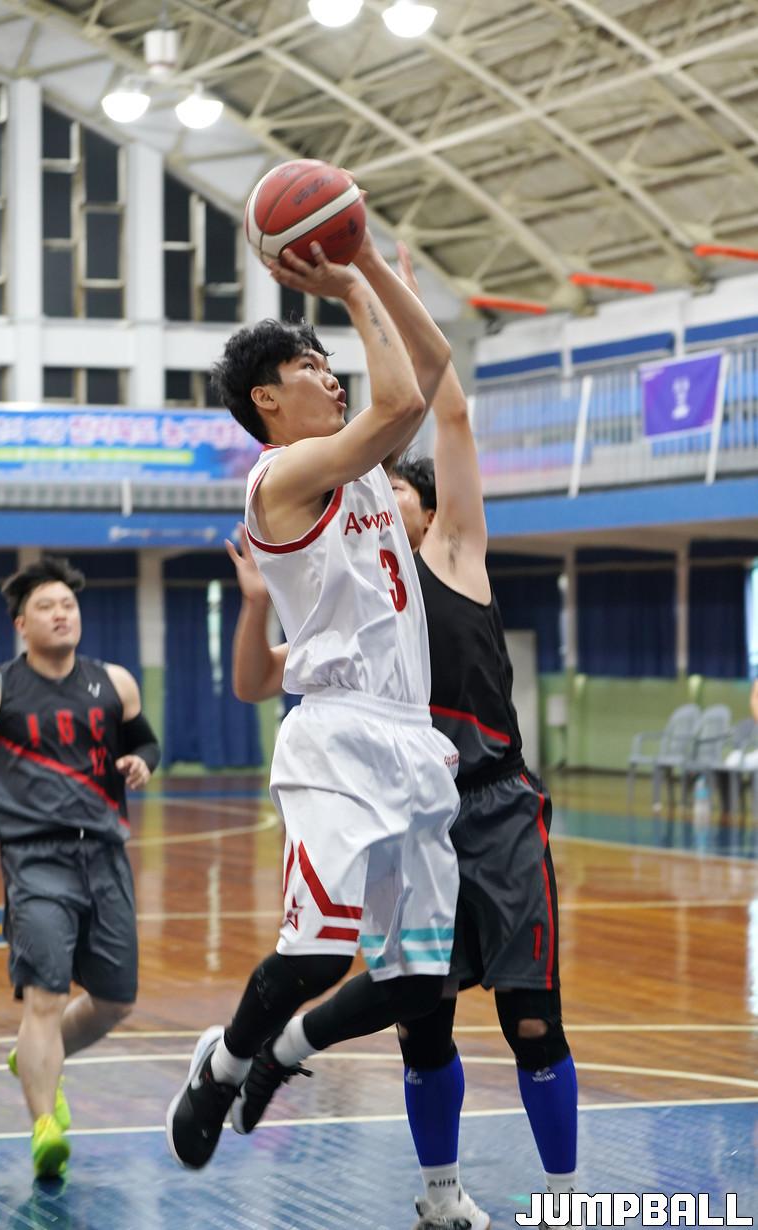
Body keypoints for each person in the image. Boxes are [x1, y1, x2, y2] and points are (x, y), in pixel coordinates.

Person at [227, 237, 579, 1230]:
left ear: (416, 508)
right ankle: (439, 1196)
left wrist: (385, 292)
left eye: (397, 492)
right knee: (422, 1025)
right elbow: (261, 679)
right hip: (406, 807)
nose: (381, 501)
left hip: (494, 807)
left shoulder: (455, 555)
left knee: (533, 1021)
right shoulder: (350, 600)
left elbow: (440, 407)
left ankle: (564, 1202)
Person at [165, 237, 464, 1181]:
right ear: (266, 398)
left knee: (420, 982)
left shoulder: (364, 467)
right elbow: (401, 401)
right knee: (317, 956)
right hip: (337, 737)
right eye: (310, 368)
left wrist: (377, 277)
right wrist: (350, 283)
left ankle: (283, 1054)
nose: (332, 378)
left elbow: (428, 372)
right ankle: (221, 1066)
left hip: (412, 737)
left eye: (333, 366)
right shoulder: (278, 478)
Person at [0, 556, 160, 1178]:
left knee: (115, 1001)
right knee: (45, 995)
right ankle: (44, 1127)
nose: (61, 614)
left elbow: (144, 740)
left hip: (106, 856)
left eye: (68, 604)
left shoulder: (114, 683)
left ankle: (35, 1057)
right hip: (35, 861)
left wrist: (143, 762)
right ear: (21, 624)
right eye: (46, 606)